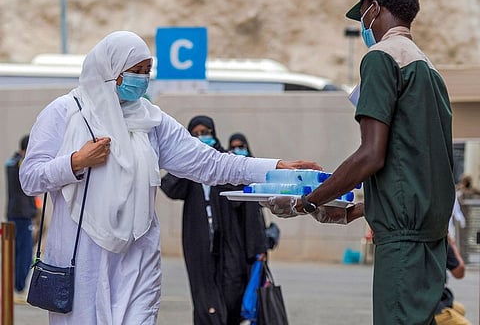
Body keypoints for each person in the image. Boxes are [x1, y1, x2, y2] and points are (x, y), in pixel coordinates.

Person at [19, 30, 319, 324]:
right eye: (134, 70)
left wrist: (275, 167)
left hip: (138, 254)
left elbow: (212, 164)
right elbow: (30, 177)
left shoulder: (152, 121)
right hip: (83, 257)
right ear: (111, 71)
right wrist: (75, 161)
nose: (142, 79)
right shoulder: (64, 113)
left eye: (147, 71)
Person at [262, 0, 455, 324]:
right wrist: (356, 209)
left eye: (363, 12)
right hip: (430, 247)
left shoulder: (382, 58)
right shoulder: (429, 70)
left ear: (374, 8)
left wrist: (308, 201)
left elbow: (371, 154)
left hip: (401, 249)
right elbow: (417, 172)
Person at [161, 121, 269, 325]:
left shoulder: (225, 162)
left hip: (230, 240)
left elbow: (251, 212)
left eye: (205, 132)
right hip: (200, 241)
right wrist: (187, 158)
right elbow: (170, 188)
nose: (201, 137)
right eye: (196, 134)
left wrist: (258, 248)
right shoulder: (189, 166)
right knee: (204, 292)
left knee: (232, 288)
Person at [5, 134, 38, 302]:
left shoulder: (11, 161)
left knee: (15, 252)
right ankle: (18, 288)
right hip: (23, 215)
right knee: (24, 254)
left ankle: (14, 287)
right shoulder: (21, 163)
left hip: (13, 214)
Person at [434, 235, 471, 325]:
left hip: (405, 299)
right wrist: (452, 244)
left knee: (460, 309)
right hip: (427, 304)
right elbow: (459, 272)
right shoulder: (438, 239)